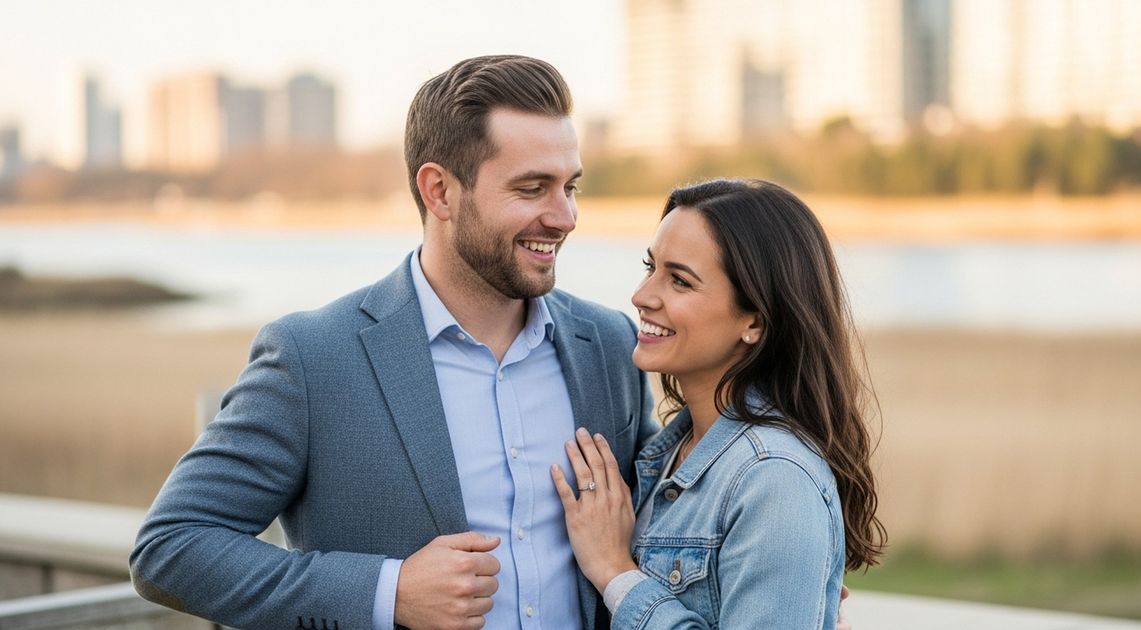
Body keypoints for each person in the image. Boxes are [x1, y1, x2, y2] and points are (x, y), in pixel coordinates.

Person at [129, 55, 658, 630]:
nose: (565, 216)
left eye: (570, 186)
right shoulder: (313, 358)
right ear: (439, 192)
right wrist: (389, 591)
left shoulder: (609, 344)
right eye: (533, 188)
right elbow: (171, 546)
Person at [550, 179, 886, 628]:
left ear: (754, 321)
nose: (642, 296)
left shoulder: (774, 476)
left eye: (680, 281)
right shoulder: (672, 452)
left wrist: (615, 572)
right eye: (651, 267)